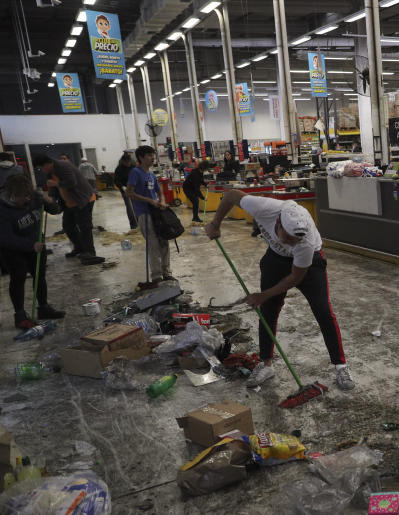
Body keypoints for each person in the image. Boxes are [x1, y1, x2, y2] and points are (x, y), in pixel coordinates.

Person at [205, 191, 354, 391]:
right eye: (289, 238)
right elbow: (231, 195)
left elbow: (295, 277)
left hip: (308, 266)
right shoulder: (263, 208)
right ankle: (265, 364)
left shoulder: (305, 243)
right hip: (275, 259)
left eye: (296, 240)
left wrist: (263, 295)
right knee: (268, 311)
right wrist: (216, 223)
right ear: (278, 224)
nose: (292, 243)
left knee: (322, 310)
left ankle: (340, 366)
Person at [0, 174, 65, 329]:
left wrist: (50, 201)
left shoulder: (34, 196)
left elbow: (56, 210)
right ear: (12, 195)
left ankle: (43, 308)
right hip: (13, 249)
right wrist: (30, 246)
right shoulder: (2, 209)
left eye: (28, 196)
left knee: (39, 275)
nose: (27, 201)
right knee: (18, 277)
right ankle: (20, 316)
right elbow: (5, 238)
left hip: (36, 243)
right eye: (22, 197)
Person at [34, 153, 103, 264]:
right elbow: (53, 188)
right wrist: (51, 198)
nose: (42, 170)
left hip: (83, 199)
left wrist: (56, 183)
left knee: (84, 226)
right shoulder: (49, 172)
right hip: (69, 202)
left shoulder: (63, 166)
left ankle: (90, 252)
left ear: (47, 163)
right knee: (68, 226)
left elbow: (72, 182)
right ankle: (79, 248)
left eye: (41, 167)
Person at [126, 145, 173, 283]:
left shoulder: (151, 174)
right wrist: (148, 200)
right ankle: (157, 276)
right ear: (141, 157)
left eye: (153, 155)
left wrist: (162, 201)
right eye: (149, 155)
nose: (153, 157)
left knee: (164, 242)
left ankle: (167, 272)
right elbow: (129, 193)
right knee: (153, 245)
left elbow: (160, 192)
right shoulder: (136, 172)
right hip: (144, 213)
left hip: (157, 213)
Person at [114, 153, 138, 230]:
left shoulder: (133, 167)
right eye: (126, 162)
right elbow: (116, 180)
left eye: (129, 162)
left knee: (137, 206)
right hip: (125, 190)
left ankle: (139, 223)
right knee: (129, 207)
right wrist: (122, 186)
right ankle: (133, 225)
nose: (128, 163)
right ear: (123, 162)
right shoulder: (119, 169)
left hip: (135, 189)